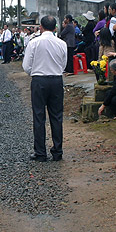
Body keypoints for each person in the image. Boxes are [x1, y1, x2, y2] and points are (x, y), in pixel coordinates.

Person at [22, 15, 67, 162]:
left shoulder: (34, 42)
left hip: (39, 80)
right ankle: (57, 151)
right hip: (56, 80)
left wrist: (35, 73)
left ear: (41, 27)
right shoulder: (61, 43)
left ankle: (40, 152)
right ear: (55, 28)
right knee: (56, 116)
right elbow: (63, 64)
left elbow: (26, 65)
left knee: (39, 116)